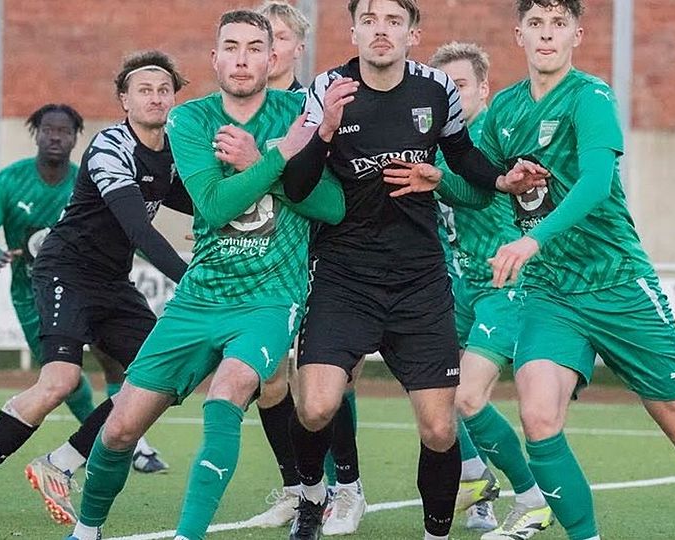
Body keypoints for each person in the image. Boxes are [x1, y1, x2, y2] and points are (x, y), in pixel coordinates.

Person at [483, 2, 675, 540]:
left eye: (559, 25)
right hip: (552, 293)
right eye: (537, 25)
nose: (547, 36)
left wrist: (532, 238)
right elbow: (474, 181)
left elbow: (595, 183)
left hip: (619, 284)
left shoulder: (590, 97)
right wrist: (442, 179)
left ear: (578, 35)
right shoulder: (503, 110)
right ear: (519, 34)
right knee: (539, 418)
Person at [64, 10, 345, 540]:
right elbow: (213, 207)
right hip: (199, 298)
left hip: (268, 298)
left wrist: (261, 156)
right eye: (231, 47)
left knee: (228, 392)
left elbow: (330, 206)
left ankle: (188, 535)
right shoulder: (190, 120)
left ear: (273, 57)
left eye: (254, 47)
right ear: (214, 58)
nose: (242, 58)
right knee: (121, 427)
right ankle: (86, 530)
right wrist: (278, 161)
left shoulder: (301, 115)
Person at [280, 2, 545, 539]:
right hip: (342, 275)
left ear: (412, 33)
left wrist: (501, 181)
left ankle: (436, 533)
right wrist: (325, 130)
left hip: (418, 280)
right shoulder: (327, 89)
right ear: (353, 29)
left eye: (394, 21)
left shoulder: (435, 89)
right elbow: (298, 185)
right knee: (314, 407)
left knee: (441, 427)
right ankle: (311, 498)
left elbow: (464, 155)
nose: (382, 30)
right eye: (371, 19)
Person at [0, 49, 193, 527]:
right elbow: (141, 232)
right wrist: (193, 279)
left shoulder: (175, 154)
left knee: (163, 377)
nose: (156, 98)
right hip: (66, 271)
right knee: (60, 381)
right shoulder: (109, 147)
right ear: (124, 99)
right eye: (145, 89)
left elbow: (201, 205)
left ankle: (60, 464)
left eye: (164, 90)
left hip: (112, 282)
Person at [244, 3, 366, 533]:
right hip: (266, 260)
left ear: (297, 47)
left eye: (278, 36)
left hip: (324, 254)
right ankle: (299, 490)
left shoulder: (317, 102)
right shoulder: (241, 107)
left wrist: (265, 171)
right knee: (268, 383)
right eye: (258, 37)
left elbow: (328, 188)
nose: (267, 46)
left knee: (325, 380)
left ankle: (348, 487)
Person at [429, 41, 554, 540]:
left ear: (483, 88)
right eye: (443, 89)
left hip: (504, 285)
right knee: (431, 390)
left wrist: (436, 180)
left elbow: (478, 194)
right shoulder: (436, 142)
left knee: (467, 397)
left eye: (460, 86)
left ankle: (532, 499)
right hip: (456, 285)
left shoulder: (495, 137)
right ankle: (477, 479)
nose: (452, 98)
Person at [0, 104, 96, 425]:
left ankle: (128, 441)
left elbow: (126, 231)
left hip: (82, 290)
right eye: (48, 130)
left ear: (76, 137)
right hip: (31, 298)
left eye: (64, 131)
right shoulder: (11, 181)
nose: (55, 137)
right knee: (62, 377)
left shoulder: (87, 183)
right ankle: (98, 433)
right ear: (36, 134)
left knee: (120, 358)